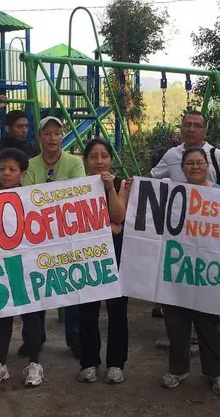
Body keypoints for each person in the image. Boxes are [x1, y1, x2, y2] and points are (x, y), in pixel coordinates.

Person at [160, 147, 220, 396]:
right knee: (176, 323)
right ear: (182, 168)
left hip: (209, 271)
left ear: (208, 164)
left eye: (200, 162)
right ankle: (177, 369)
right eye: (189, 163)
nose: (195, 167)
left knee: (209, 324)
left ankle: (216, 373)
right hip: (178, 269)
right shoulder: (171, 194)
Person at [22, 115, 86, 359]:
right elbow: (28, 199)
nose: (52, 138)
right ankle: (33, 339)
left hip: (68, 236)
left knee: (71, 286)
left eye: (56, 133)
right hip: (37, 237)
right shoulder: (31, 164)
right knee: (35, 288)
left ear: (62, 136)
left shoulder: (74, 162)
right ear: (39, 137)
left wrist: (46, 198)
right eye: (47, 133)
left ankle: (75, 339)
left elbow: (76, 195)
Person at [0, 148, 45, 388]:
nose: (6, 174)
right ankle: (0, 364)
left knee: (32, 313)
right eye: (2, 169)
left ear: (22, 173)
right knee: (3, 313)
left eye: (12, 169)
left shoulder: (32, 196)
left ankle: (34, 363)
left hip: (27, 265)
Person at [78, 139, 129, 384]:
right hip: (86, 255)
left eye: (104, 156)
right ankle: (88, 362)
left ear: (111, 159)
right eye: (94, 157)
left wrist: (109, 188)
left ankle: (116, 364)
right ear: (85, 161)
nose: (99, 161)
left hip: (117, 255)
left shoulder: (120, 184)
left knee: (117, 311)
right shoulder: (76, 187)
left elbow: (119, 215)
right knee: (87, 310)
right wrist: (104, 226)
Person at [150, 110, 220, 190]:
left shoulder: (217, 155)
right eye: (187, 125)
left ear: (205, 130)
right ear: (181, 128)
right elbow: (149, 178)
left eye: (197, 126)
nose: (191, 129)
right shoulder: (171, 155)